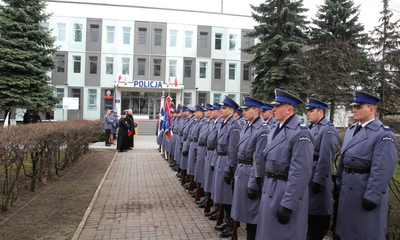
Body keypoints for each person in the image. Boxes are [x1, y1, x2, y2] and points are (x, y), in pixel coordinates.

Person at [335, 90, 397, 240]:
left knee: (364, 232)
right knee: (346, 232)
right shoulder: (351, 130)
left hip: (363, 191)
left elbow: (382, 169)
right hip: (347, 190)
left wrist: (372, 196)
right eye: (354, 106)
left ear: (371, 109)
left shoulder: (383, 134)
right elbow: (344, 161)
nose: (354, 109)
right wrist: (338, 184)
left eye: (359, 107)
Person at [256, 89, 314, 240]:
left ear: (289, 109)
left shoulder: (301, 133)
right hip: (271, 188)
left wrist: (288, 203)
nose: (273, 109)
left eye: (277, 106)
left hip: (284, 192)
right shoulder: (276, 129)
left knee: (283, 234)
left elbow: (300, 173)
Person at [231, 96, 270, 240]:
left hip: (250, 175)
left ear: (256, 110)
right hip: (242, 172)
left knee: (253, 215)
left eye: (247, 109)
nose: (244, 112)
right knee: (244, 212)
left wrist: (254, 183)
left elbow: (259, 160)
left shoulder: (262, 130)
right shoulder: (247, 127)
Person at [305, 98, 339, 240]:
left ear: (321, 112)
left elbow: (326, 158)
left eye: (311, 110)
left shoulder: (328, 130)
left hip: (318, 179)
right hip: (309, 176)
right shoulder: (311, 128)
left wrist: (318, 180)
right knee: (309, 217)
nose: (308, 113)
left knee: (317, 219)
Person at [213, 95, 241, 238]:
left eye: (224, 108)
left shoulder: (234, 126)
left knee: (228, 196)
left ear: (231, 111)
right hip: (220, 159)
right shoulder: (224, 123)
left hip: (227, 161)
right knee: (221, 194)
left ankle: (231, 223)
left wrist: (231, 167)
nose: (221, 110)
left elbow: (233, 149)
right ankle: (225, 219)